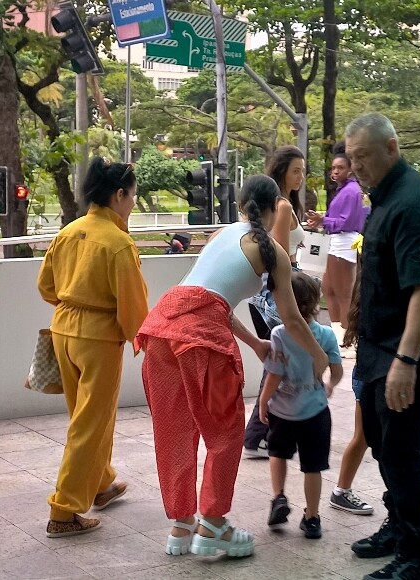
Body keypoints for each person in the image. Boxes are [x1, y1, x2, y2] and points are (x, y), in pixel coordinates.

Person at [137, 175, 329, 558]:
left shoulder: (222, 232)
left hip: (162, 324)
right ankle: (213, 526)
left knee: (174, 431)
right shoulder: (271, 248)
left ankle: (182, 525)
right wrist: (319, 355)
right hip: (202, 337)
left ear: (242, 206)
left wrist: (254, 343)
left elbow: (207, 293)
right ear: (276, 206)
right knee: (224, 433)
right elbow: (291, 318)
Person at [345, 113, 420, 580]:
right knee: (381, 442)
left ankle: (419, 555)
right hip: (380, 351)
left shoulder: (413, 204)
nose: (356, 167)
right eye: (351, 159)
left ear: (391, 148)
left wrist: (406, 361)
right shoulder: (387, 199)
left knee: (401, 449)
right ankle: (396, 525)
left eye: (364, 157)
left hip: (405, 355)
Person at [37, 157, 149, 538]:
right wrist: (144, 340)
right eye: (132, 196)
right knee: (90, 423)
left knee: (84, 418)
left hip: (63, 331)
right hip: (98, 339)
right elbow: (132, 306)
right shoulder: (118, 243)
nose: (133, 203)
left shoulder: (68, 232)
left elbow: (46, 287)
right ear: (118, 194)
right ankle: (63, 511)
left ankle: (101, 483)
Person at [259, 272, 343, 539]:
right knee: (313, 466)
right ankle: (312, 517)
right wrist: (329, 385)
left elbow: (275, 373)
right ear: (315, 302)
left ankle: (279, 497)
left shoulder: (279, 334)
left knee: (277, 453)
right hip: (315, 412)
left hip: (282, 411)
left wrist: (263, 401)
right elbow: (337, 370)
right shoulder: (327, 335)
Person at [244, 146, 306, 457]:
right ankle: (257, 434)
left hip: (274, 290)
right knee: (279, 359)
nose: (301, 177)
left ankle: (264, 432)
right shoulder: (281, 207)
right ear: (282, 171)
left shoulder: (284, 205)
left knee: (278, 360)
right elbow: (279, 255)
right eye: (296, 170)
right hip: (277, 291)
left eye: (303, 171)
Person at [306, 152, 365, 359]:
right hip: (337, 241)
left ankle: (348, 340)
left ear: (350, 169)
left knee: (343, 293)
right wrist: (322, 220)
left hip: (345, 241)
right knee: (329, 289)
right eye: (333, 168)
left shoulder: (351, 191)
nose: (335, 171)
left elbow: (346, 222)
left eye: (340, 167)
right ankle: (338, 334)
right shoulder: (343, 190)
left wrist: (324, 221)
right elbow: (337, 219)